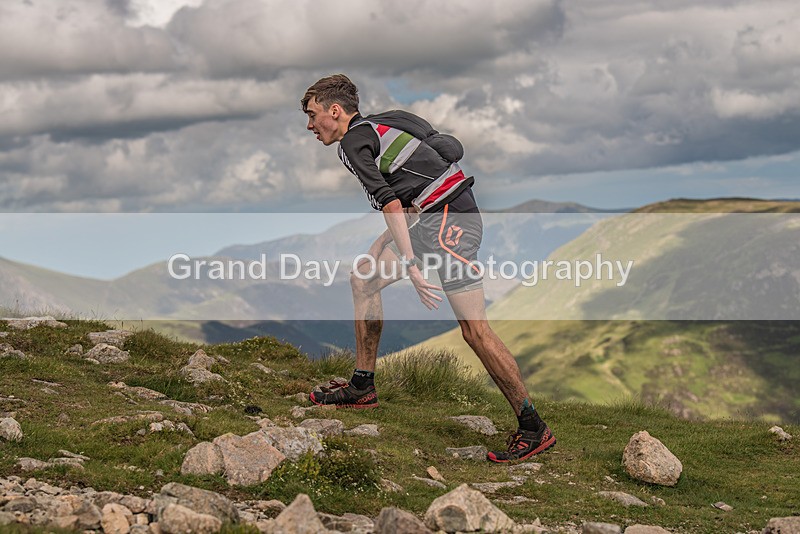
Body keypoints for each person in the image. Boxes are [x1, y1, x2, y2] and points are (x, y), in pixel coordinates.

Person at [300, 74, 555, 462]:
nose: (310, 126)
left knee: (475, 332)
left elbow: (391, 203)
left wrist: (411, 265)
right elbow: (443, 157)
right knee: (364, 279)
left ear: (335, 111)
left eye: (313, 114)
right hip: (443, 216)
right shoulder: (391, 120)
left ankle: (533, 427)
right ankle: (362, 386)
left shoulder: (353, 143)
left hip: (450, 224)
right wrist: (385, 243)